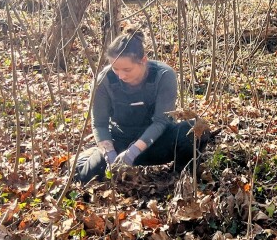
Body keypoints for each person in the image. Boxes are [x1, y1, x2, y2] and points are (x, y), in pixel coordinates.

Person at [74, 29, 199, 183]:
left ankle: (179, 178)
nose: (121, 75)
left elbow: (161, 121)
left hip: (157, 141)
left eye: (127, 69)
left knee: (196, 131)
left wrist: (133, 152)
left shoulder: (164, 75)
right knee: (84, 173)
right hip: (120, 141)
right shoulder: (104, 81)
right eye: (115, 69)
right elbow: (99, 124)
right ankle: (94, 155)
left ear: (143, 60)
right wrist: (110, 155)